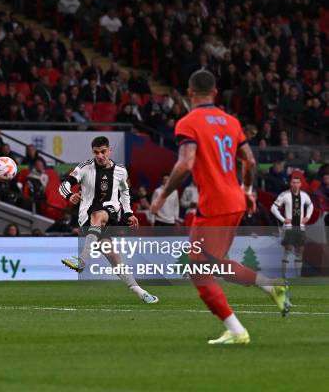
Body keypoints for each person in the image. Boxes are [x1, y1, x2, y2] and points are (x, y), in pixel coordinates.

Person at [150, 70, 288, 345]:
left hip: (214, 205)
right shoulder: (231, 122)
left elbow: (186, 162)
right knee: (217, 264)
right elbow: (249, 161)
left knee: (197, 270)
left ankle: (236, 330)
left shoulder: (188, 123)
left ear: (190, 93)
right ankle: (272, 286)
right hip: (236, 199)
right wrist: (248, 191)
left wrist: (163, 195)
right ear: (215, 92)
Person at [58, 136, 159, 304]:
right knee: (113, 256)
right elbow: (64, 185)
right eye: (96, 152)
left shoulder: (120, 170)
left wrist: (128, 213)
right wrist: (70, 195)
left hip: (109, 212)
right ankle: (140, 292)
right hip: (86, 219)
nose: (100, 155)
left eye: (103, 152)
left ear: (109, 150)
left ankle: (82, 259)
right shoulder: (84, 168)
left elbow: (125, 193)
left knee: (101, 213)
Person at [270, 176, 314, 278]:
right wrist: (283, 219)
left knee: (300, 250)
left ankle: (297, 276)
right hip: (289, 227)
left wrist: (307, 217)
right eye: (293, 182)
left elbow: (310, 205)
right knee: (288, 249)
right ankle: (283, 276)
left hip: (300, 227)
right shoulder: (284, 195)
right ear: (291, 184)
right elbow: (273, 208)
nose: (295, 184)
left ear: (300, 184)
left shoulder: (304, 195)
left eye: (297, 183)